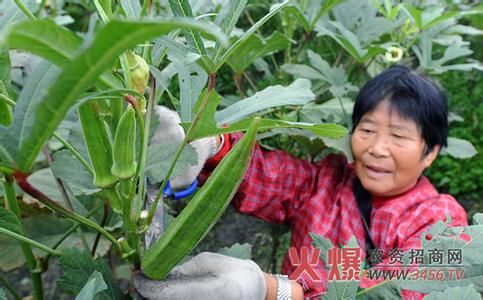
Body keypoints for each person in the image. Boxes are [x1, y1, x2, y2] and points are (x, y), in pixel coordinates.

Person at [134, 66, 468, 299]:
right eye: (367, 130)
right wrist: (212, 147)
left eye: (398, 136)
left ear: (430, 152)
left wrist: (273, 291)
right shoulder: (327, 181)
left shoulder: (441, 221)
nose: (377, 148)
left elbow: (397, 292)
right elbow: (268, 176)